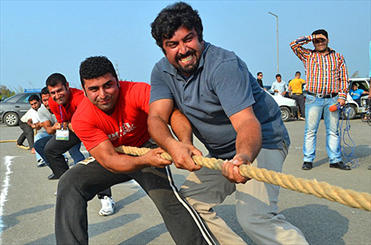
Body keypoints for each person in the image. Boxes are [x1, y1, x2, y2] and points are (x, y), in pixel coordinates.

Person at [148, 2, 308, 245]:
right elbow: (157, 117)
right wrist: (174, 144)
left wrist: (243, 157)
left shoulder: (223, 65)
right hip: (221, 152)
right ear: (163, 48)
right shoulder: (161, 72)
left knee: (255, 218)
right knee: (188, 203)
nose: (183, 50)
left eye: (188, 39)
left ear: (199, 36)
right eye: (172, 44)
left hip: (262, 141)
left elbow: (246, 123)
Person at [54, 56, 218, 245]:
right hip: (117, 155)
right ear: (84, 91)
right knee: (69, 182)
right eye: (93, 89)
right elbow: (109, 159)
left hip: (146, 147)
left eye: (108, 85)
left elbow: (172, 114)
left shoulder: (136, 91)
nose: (103, 94)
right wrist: (144, 160)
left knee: (168, 201)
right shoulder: (82, 118)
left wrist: (184, 142)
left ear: (118, 81)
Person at [44, 73, 115, 216]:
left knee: (98, 157)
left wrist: (72, 125)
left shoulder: (80, 99)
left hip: (92, 127)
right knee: (49, 149)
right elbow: (64, 122)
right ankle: (68, 184)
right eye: (53, 93)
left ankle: (106, 197)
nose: (57, 95)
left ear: (67, 86)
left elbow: (86, 122)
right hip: (71, 128)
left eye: (60, 91)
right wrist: (60, 126)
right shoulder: (53, 102)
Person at [290, 29, 350, 171]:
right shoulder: (307, 55)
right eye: (317, 40)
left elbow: (344, 78)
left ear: (328, 40)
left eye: (322, 40)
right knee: (310, 130)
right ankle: (308, 159)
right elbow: (293, 45)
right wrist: (311, 37)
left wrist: (342, 97)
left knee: (333, 131)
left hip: (332, 99)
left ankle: (335, 159)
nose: (320, 42)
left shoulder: (338, 57)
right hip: (313, 98)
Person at [34, 87, 85, 168]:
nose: (47, 103)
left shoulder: (63, 102)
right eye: (44, 101)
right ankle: (57, 169)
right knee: (39, 141)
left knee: (72, 149)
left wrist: (68, 124)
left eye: (48, 99)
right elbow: (49, 131)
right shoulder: (42, 111)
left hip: (73, 131)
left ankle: (81, 169)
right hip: (60, 133)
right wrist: (54, 127)